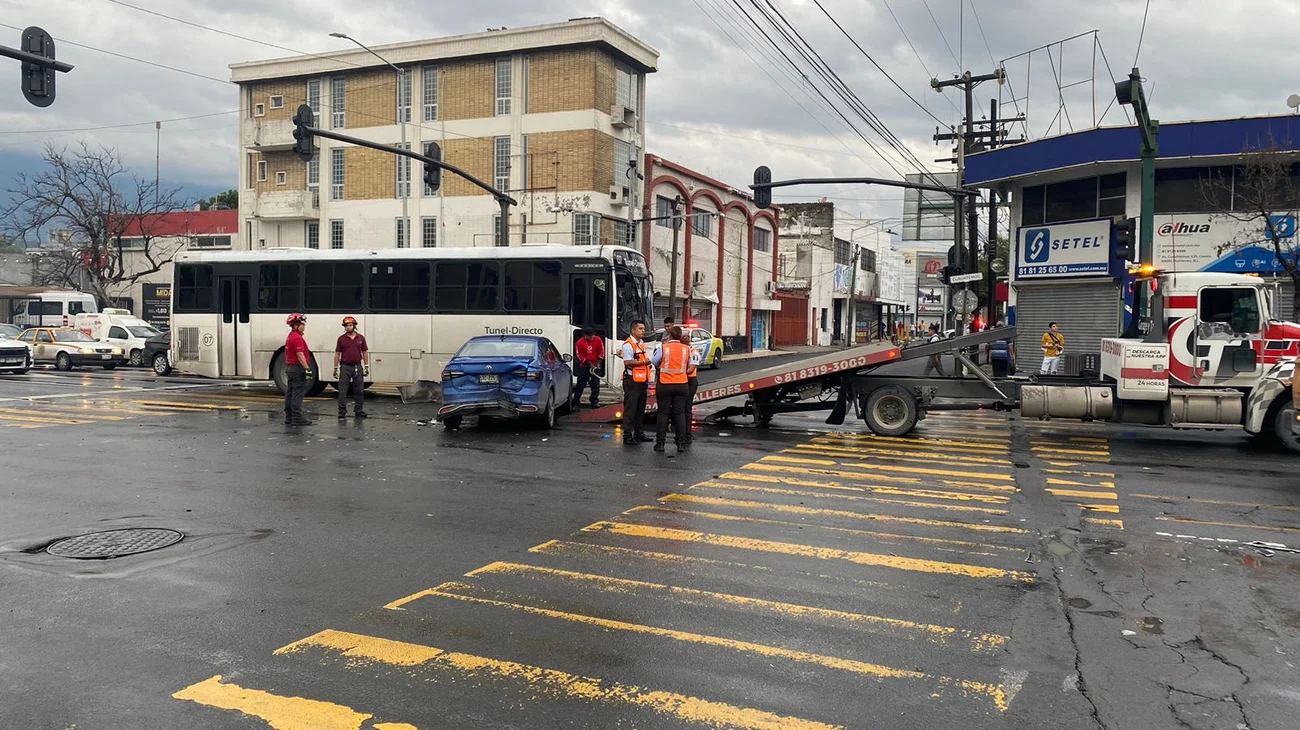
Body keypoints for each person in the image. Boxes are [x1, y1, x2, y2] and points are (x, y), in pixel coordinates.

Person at [650, 325, 691, 453]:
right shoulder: (687, 349)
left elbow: (654, 361)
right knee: (679, 414)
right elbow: (688, 364)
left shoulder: (664, 347)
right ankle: (680, 444)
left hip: (665, 383)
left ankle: (660, 444)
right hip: (682, 384)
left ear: (670, 335)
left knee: (663, 414)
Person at [620, 319, 652, 445]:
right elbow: (627, 362)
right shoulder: (628, 345)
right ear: (633, 330)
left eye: (643, 328)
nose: (643, 331)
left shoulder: (641, 343)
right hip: (632, 381)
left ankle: (639, 433)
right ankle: (627, 435)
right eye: (640, 329)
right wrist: (644, 362)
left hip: (642, 381)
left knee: (640, 410)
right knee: (630, 410)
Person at [333, 316, 369, 420]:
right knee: (343, 390)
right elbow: (337, 354)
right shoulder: (341, 339)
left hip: (358, 366)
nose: (348, 327)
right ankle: (341, 412)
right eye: (346, 326)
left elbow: (365, 352)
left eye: (350, 325)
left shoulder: (361, 338)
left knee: (359, 390)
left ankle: (359, 410)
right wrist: (335, 368)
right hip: (345, 367)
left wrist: (366, 366)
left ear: (354, 326)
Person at [283, 313, 314, 426]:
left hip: (290, 368)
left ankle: (289, 417)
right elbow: (300, 354)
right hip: (297, 369)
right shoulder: (297, 338)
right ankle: (296, 417)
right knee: (297, 393)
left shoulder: (290, 336)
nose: (304, 326)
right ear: (296, 325)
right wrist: (307, 369)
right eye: (302, 324)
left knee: (290, 393)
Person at [572, 326, 604, 410]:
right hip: (584, 366)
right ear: (585, 335)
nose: (591, 337)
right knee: (580, 385)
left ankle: (594, 402)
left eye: (592, 335)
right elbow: (579, 355)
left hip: (596, 366)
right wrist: (588, 363)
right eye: (589, 336)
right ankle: (576, 403)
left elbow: (601, 351)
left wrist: (598, 362)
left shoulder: (598, 340)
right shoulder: (580, 342)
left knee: (595, 385)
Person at [680, 328, 702, 443]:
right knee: (682, 409)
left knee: (687, 408)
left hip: (690, 381)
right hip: (682, 380)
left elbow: (690, 370)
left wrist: (676, 371)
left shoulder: (694, 354)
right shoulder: (685, 352)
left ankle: (687, 434)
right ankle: (682, 432)